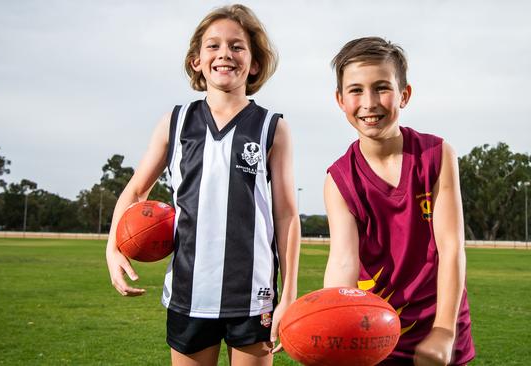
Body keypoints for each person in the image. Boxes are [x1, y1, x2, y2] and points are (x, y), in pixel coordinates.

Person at [105, 5, 300, 365]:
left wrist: (289, 293)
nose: (225, 53)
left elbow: (286, 215)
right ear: (196, 60)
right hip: (189, 291)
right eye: (213, 46)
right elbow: (135, 191)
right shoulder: (175, 122)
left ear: (254, 63)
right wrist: (113, 246)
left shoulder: (272, 127)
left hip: (253, 296)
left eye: (237, 46)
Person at [323, 37, 475, 365]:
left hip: (441, 329)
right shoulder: (338, 180)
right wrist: (333, 323)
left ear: (404, 95)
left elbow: (451, 248)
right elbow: (343, 262)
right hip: (376, 335)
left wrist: (445, 331)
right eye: (356, 90)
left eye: (381, 87)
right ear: (339, 100)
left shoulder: (437, 155)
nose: (369, 102)